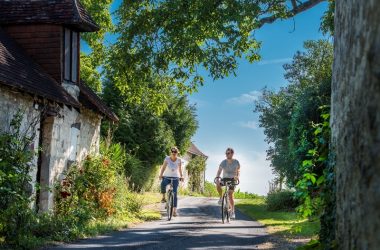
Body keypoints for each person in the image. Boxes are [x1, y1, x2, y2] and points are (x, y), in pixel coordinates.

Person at [215, 147, 240, 219]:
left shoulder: (236, 162)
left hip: (232, 179)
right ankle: (220, 197)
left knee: (230, 194)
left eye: (228, 153)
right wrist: (217, 177)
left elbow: (238, 171)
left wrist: (237, 176)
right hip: (225, 178)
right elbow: (219, 171)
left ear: (232, 154)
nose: (226, 155)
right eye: (226, 153)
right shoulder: (223, 162)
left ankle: (232, 211)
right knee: (217, 184)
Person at [159, 146, 184, 217]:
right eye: (172, 151)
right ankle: (163, 197)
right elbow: (163, 167)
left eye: (175, 152)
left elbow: (180, 169)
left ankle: (174, 211)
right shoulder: (167, 158)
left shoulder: (179, 160)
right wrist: (161, 175)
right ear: (170, 152)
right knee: (163, 184)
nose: (173, 153)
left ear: (177, 153)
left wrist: (181, 176)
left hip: (175, 177)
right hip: (167, 176)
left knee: (175, 193)